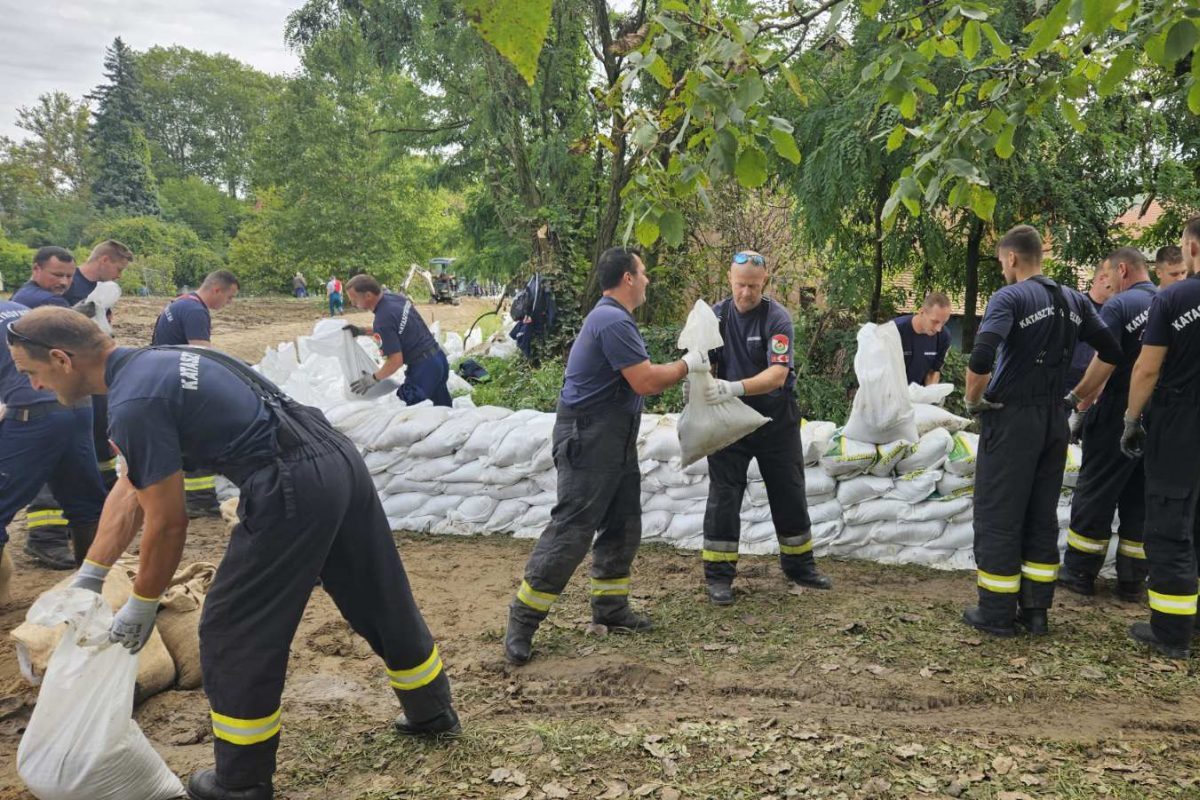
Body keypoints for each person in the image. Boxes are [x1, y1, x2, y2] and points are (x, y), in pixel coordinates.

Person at [8, 307, 460, 800]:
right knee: (377, 593)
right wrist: (91, 576)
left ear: (61, 358)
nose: (31, 386)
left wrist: (142, 603)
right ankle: (431, 709)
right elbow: (131, 487)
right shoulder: (163, 359)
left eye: (30, 372)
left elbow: (167, 520)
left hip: (290, 483)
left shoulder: (135, 399)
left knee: (232, 629)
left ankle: (240, 782)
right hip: (336, 459)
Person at [503, 248, 707, 665]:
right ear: (628, 279)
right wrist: (688, 364)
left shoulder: (614, 318)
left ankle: (611, 609)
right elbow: (646, 380)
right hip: (589, 436)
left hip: (612, 436)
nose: (648, 280)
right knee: (572, 531)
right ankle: (522, 621)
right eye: (643, 273)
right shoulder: (612, 319)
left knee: (623, 523)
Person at [962, 225, 1120, 638]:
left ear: (1011, 258)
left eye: (1000, 261)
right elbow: (1113, 351)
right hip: (1054, 420)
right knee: (1040, 514)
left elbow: (981, 355)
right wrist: (1076, 397)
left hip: (1012, 419)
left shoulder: (1010, 297)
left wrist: (973, 400)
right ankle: (1036, 613)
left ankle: (995, 612)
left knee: (999, 511)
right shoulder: (1073, 299)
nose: (1001, 268)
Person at [699, 250, 831, 606]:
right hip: (729, 421)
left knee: (788, 490)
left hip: (775, 418)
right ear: (730, 280)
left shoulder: (777, 318)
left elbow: (778, 374)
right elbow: (702, 366)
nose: (746, 293)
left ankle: (799, 566)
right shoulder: (715, 317)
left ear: (765, 283)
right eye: (741, 285)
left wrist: (734, 386)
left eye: (754, 286)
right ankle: (719, 577)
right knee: (724, 496)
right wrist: (702, 390)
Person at [1120, 217, 1200, 659]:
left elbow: (1147, 367)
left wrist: (1132, 418)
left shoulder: (1174, 299)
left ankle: (1171, 631)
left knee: (1170, 523)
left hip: (1181, 423)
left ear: (1190, 247)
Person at [1059, 247, 1157, 601]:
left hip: (1119, 409)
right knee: (1140, 499)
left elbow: (1106, 361)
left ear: (1123, 270)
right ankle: (1131, 582)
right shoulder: (1169, 302)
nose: (1109, 284)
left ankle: (1079, 573)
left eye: (1110, 276)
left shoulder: (1121, 305)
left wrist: (1076, 401)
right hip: (1158, 414)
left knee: (1096, 490)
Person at [1, 300, 106, 573]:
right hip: (77, 403)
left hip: (32, 410)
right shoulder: (20, 310)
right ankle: (93, 590)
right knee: (85, 504)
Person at [11, 246, 82, 568]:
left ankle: (49, 537)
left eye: (68, 276)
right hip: (41, 395)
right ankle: (46, 538)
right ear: (36, 269)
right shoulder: (45, 304)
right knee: (50, 468)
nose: (63, 282)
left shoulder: (21, 299)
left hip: (33, 393)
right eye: (57, 275)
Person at [152, 270, 241, 517]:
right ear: (216, 290)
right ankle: (200, 500)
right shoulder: (195, 311)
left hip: (165, 377)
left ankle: (191, 496)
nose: (228, 303)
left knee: (182, 438)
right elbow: (202, 354)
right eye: (229, 297)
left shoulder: (180, 303)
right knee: (201, 434)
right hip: (180, 382)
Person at [63, 239, 135, 492]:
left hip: (96, 367)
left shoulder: (101, 289)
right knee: (82, 430)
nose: (119, 275)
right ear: (104, 260)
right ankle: (85, 483)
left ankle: (105, 483)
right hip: (71, 372)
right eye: (119, 268)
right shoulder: (69, 284)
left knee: (102, 426)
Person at [343, 275, 452, 407]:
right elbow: (394, 330)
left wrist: (372, 379)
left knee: (405, 408)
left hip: (424, 369)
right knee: (442, 408)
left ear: (368, 295)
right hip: (438, 359)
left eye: (354, 299)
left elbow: (395, 361)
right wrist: (361, 331)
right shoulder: (395, 298)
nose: (353, 304)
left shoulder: (382, 319)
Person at [1064, 260, 1114, 391]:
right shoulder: (1074, 305)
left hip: (1100, 383)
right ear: (1103, 279)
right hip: (1068, 382)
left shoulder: (1116, 311)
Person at [893, 292, 953, 386]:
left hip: (918, 396)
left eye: (944, 322)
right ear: (921, 312)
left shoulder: (944, 336)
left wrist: (929, 394)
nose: (938, 328)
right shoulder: (894, 330)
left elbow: (933, 371)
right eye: (934, 322)